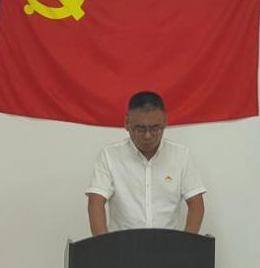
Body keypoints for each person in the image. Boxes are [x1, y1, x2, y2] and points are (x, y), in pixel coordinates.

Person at [86, 91, 205, 236]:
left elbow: (196, 203)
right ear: (127, 123)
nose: (148, 136)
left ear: (165, 123)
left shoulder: (181, 155)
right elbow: (95, 203)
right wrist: (103, 245)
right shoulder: (109, 156)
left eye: (155, 129)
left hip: (169, 245)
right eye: (140, 129)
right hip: (121, 245)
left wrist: (187, 244)